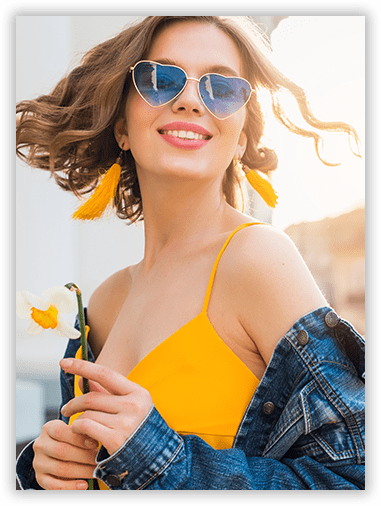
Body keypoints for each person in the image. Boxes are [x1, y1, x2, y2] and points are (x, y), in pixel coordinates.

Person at [16, 16, 365, 490]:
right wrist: (47, 471)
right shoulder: (103, 301)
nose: (189, 99)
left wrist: (160, 457)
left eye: (220, 88)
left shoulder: (257, 259)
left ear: (240, 137)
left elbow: (352, 475)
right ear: (122, 126)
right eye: (160, 80)